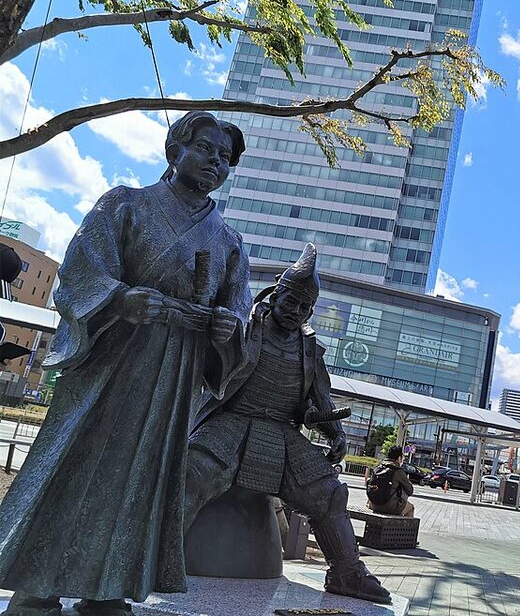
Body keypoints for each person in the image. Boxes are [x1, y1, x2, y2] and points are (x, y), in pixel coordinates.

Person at [0, 111, 251, 616]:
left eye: (224, 158)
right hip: (113, 359)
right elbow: (77, 275)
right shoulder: (126, 205)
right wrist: (120, 299)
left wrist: (230, 327)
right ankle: (36, 586)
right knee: (76, 459)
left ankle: (110, 588)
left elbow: (238, 306)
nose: (214, 163)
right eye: (205, 149)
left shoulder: (228, 242)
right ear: (172, 150)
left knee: (143, 475)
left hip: (175, 371)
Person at [185, 243, 391, 605]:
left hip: (282, 433)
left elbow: (320, 400)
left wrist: (335, 431)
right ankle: (155, 555)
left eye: (306, 307)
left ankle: (346, 572)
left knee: (331, 494)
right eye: (291, 302)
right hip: (231, 422)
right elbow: (211, 369)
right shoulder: (244, 325)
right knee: (193, 472)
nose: (297, 312)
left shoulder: (311, 349)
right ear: (276, 293)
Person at [367, 446, 415, 518]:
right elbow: (410, 490)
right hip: (390, 507)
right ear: (399, 458)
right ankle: (402, 528)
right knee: (411, 508)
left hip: (373, 504)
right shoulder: (398, 471)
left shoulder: (378, 468)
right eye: (402, 458)